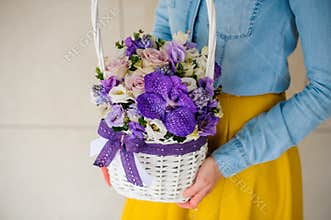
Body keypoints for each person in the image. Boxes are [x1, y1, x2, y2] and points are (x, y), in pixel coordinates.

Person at [120, 0, 331, 219]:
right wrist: (128, 120)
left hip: (251, 148)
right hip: (169, 153)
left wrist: (227, 161)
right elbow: (164, 33)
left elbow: (326, 89)